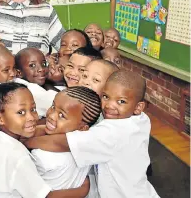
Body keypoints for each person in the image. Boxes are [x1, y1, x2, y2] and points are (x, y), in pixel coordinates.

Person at [24, 71, 160, 198]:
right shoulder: (140, 119)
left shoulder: (112, 132)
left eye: (121, 101)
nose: (109, 106)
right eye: (106, 97)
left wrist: (25, 141)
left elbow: (61, 143)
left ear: (138, 107)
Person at [32, 86, 101, 197]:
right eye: (53, 106)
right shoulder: (87, 152)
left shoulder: (41, 156)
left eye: (61, 115)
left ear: (82, 127)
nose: (51, 115)